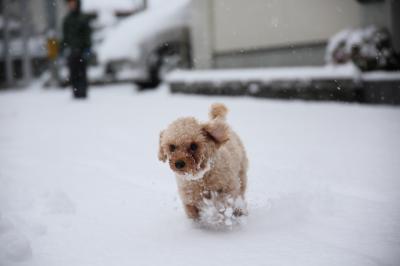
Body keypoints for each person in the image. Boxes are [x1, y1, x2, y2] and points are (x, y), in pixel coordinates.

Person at [62, 0, 91, 99]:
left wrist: (87, 48)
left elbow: (87, 35)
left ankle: (83, 92)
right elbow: (65, 37)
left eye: (73, 3)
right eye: (70, 3)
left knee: (82, 73)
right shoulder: (67, 20)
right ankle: (76, 93)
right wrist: (63, 48)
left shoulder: (83, 18)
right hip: (72, 51)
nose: (71, 5)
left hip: (81, 51)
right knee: (73, 73)